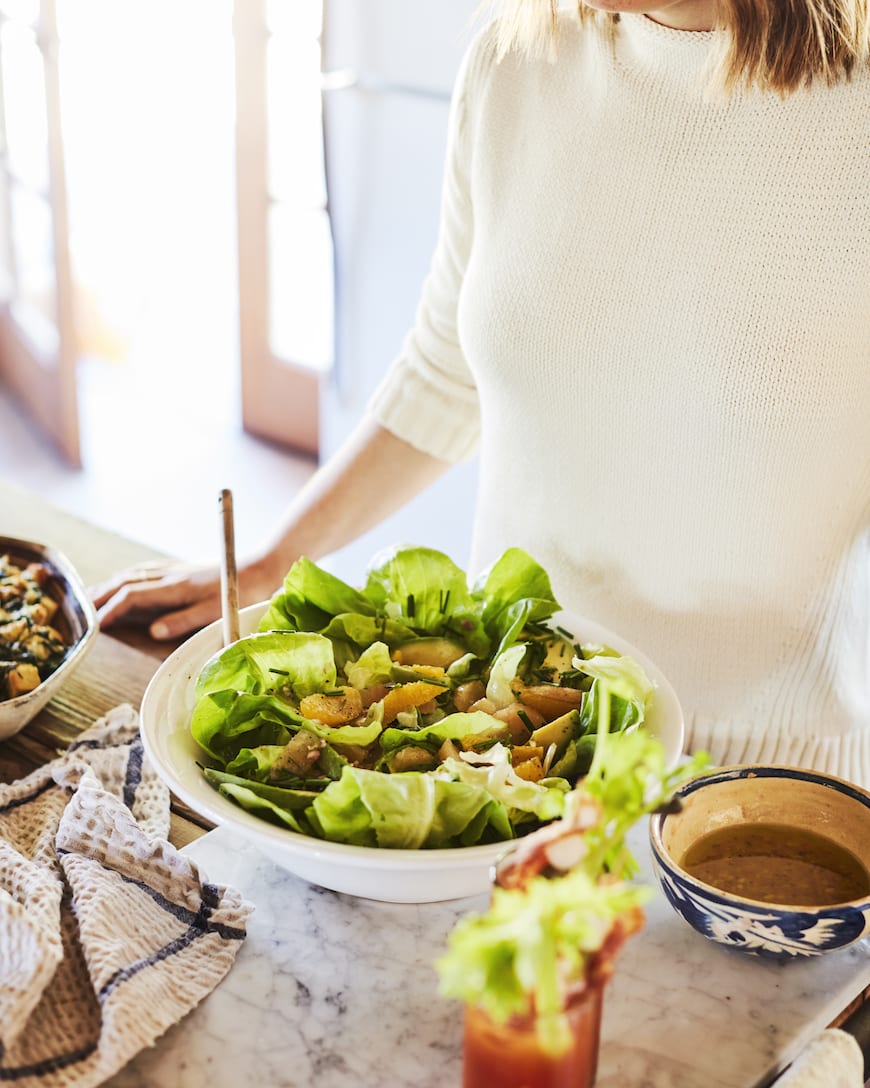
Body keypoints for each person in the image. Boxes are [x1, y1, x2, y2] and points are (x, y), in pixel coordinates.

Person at [94, 0, 870, 789]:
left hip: (769, 784)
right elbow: (446, 371)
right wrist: (271, 563)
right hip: (502, 750)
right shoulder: (517, 63)